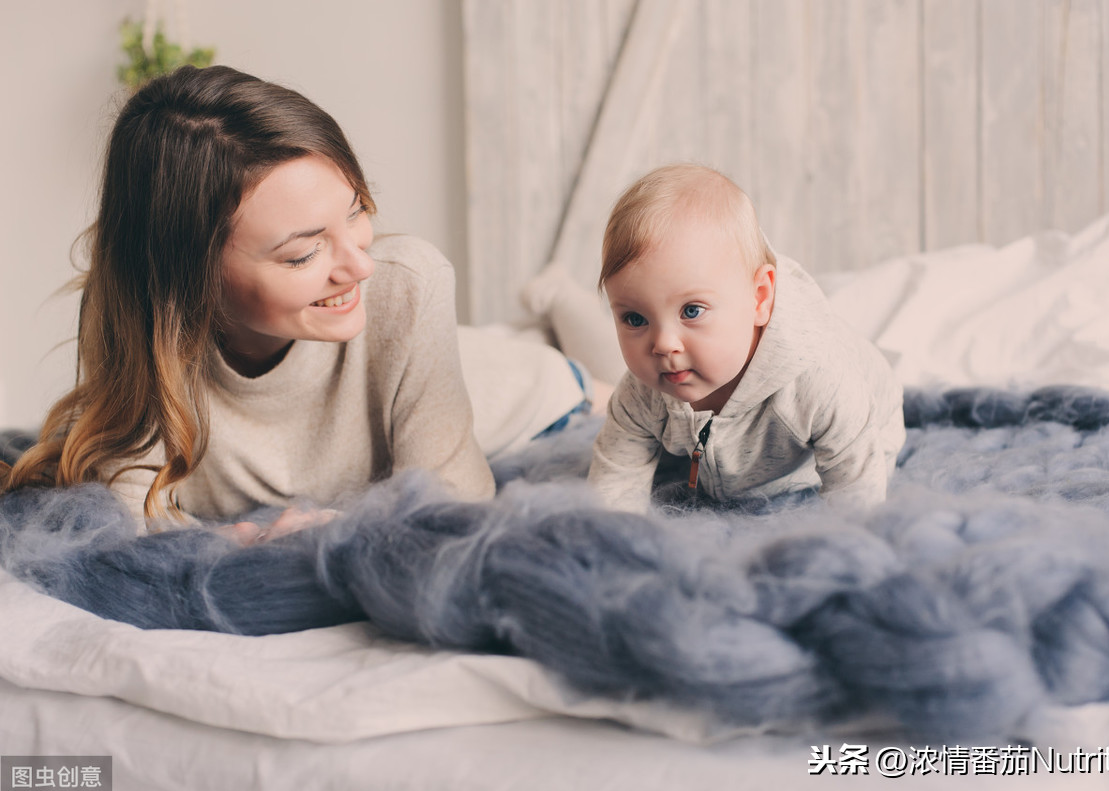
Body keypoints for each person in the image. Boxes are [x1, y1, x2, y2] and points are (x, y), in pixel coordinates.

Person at [0, 65, 588, 541]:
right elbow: (129, 514)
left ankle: (558, 302)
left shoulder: (406, 280)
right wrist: (231, 544)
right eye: (303, 254)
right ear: (188, 279)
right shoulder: (140, 325)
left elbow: (450, 507)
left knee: (621, 367)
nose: (361, 264)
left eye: (357, 209)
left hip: (534, 398)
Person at [587, 164, 906, 512]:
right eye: (635, 318)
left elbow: (856, 482)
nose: (663, 344)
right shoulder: (642, 391)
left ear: (759, 299)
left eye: (691, 311)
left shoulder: (817, 378)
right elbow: (615, 477)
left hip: (859, 435)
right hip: (721, 457)